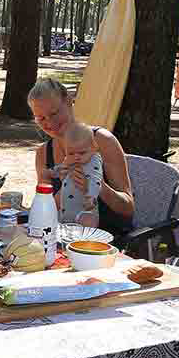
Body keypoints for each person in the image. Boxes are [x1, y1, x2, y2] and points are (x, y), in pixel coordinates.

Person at [28, 77, 134, 238]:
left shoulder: (102, 140)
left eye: (54, 112)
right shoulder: (43, 153)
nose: (50, 122)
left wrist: (97, 186)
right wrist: (67, 186)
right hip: (64, 237)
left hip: (106, 240)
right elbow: (45, 210)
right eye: (41, 118)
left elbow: (127, 208)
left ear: (69, 101)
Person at [53, 122, 103, 227]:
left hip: (83, 209)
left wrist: (91, 196)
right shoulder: (70, 159)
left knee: (88, 223)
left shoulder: (93, 160)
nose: (76, 157)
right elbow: (60, 170)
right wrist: (58, 170)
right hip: (64, 209)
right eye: (71, 153)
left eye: (82, 153)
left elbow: (96, 179)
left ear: (93, 147)